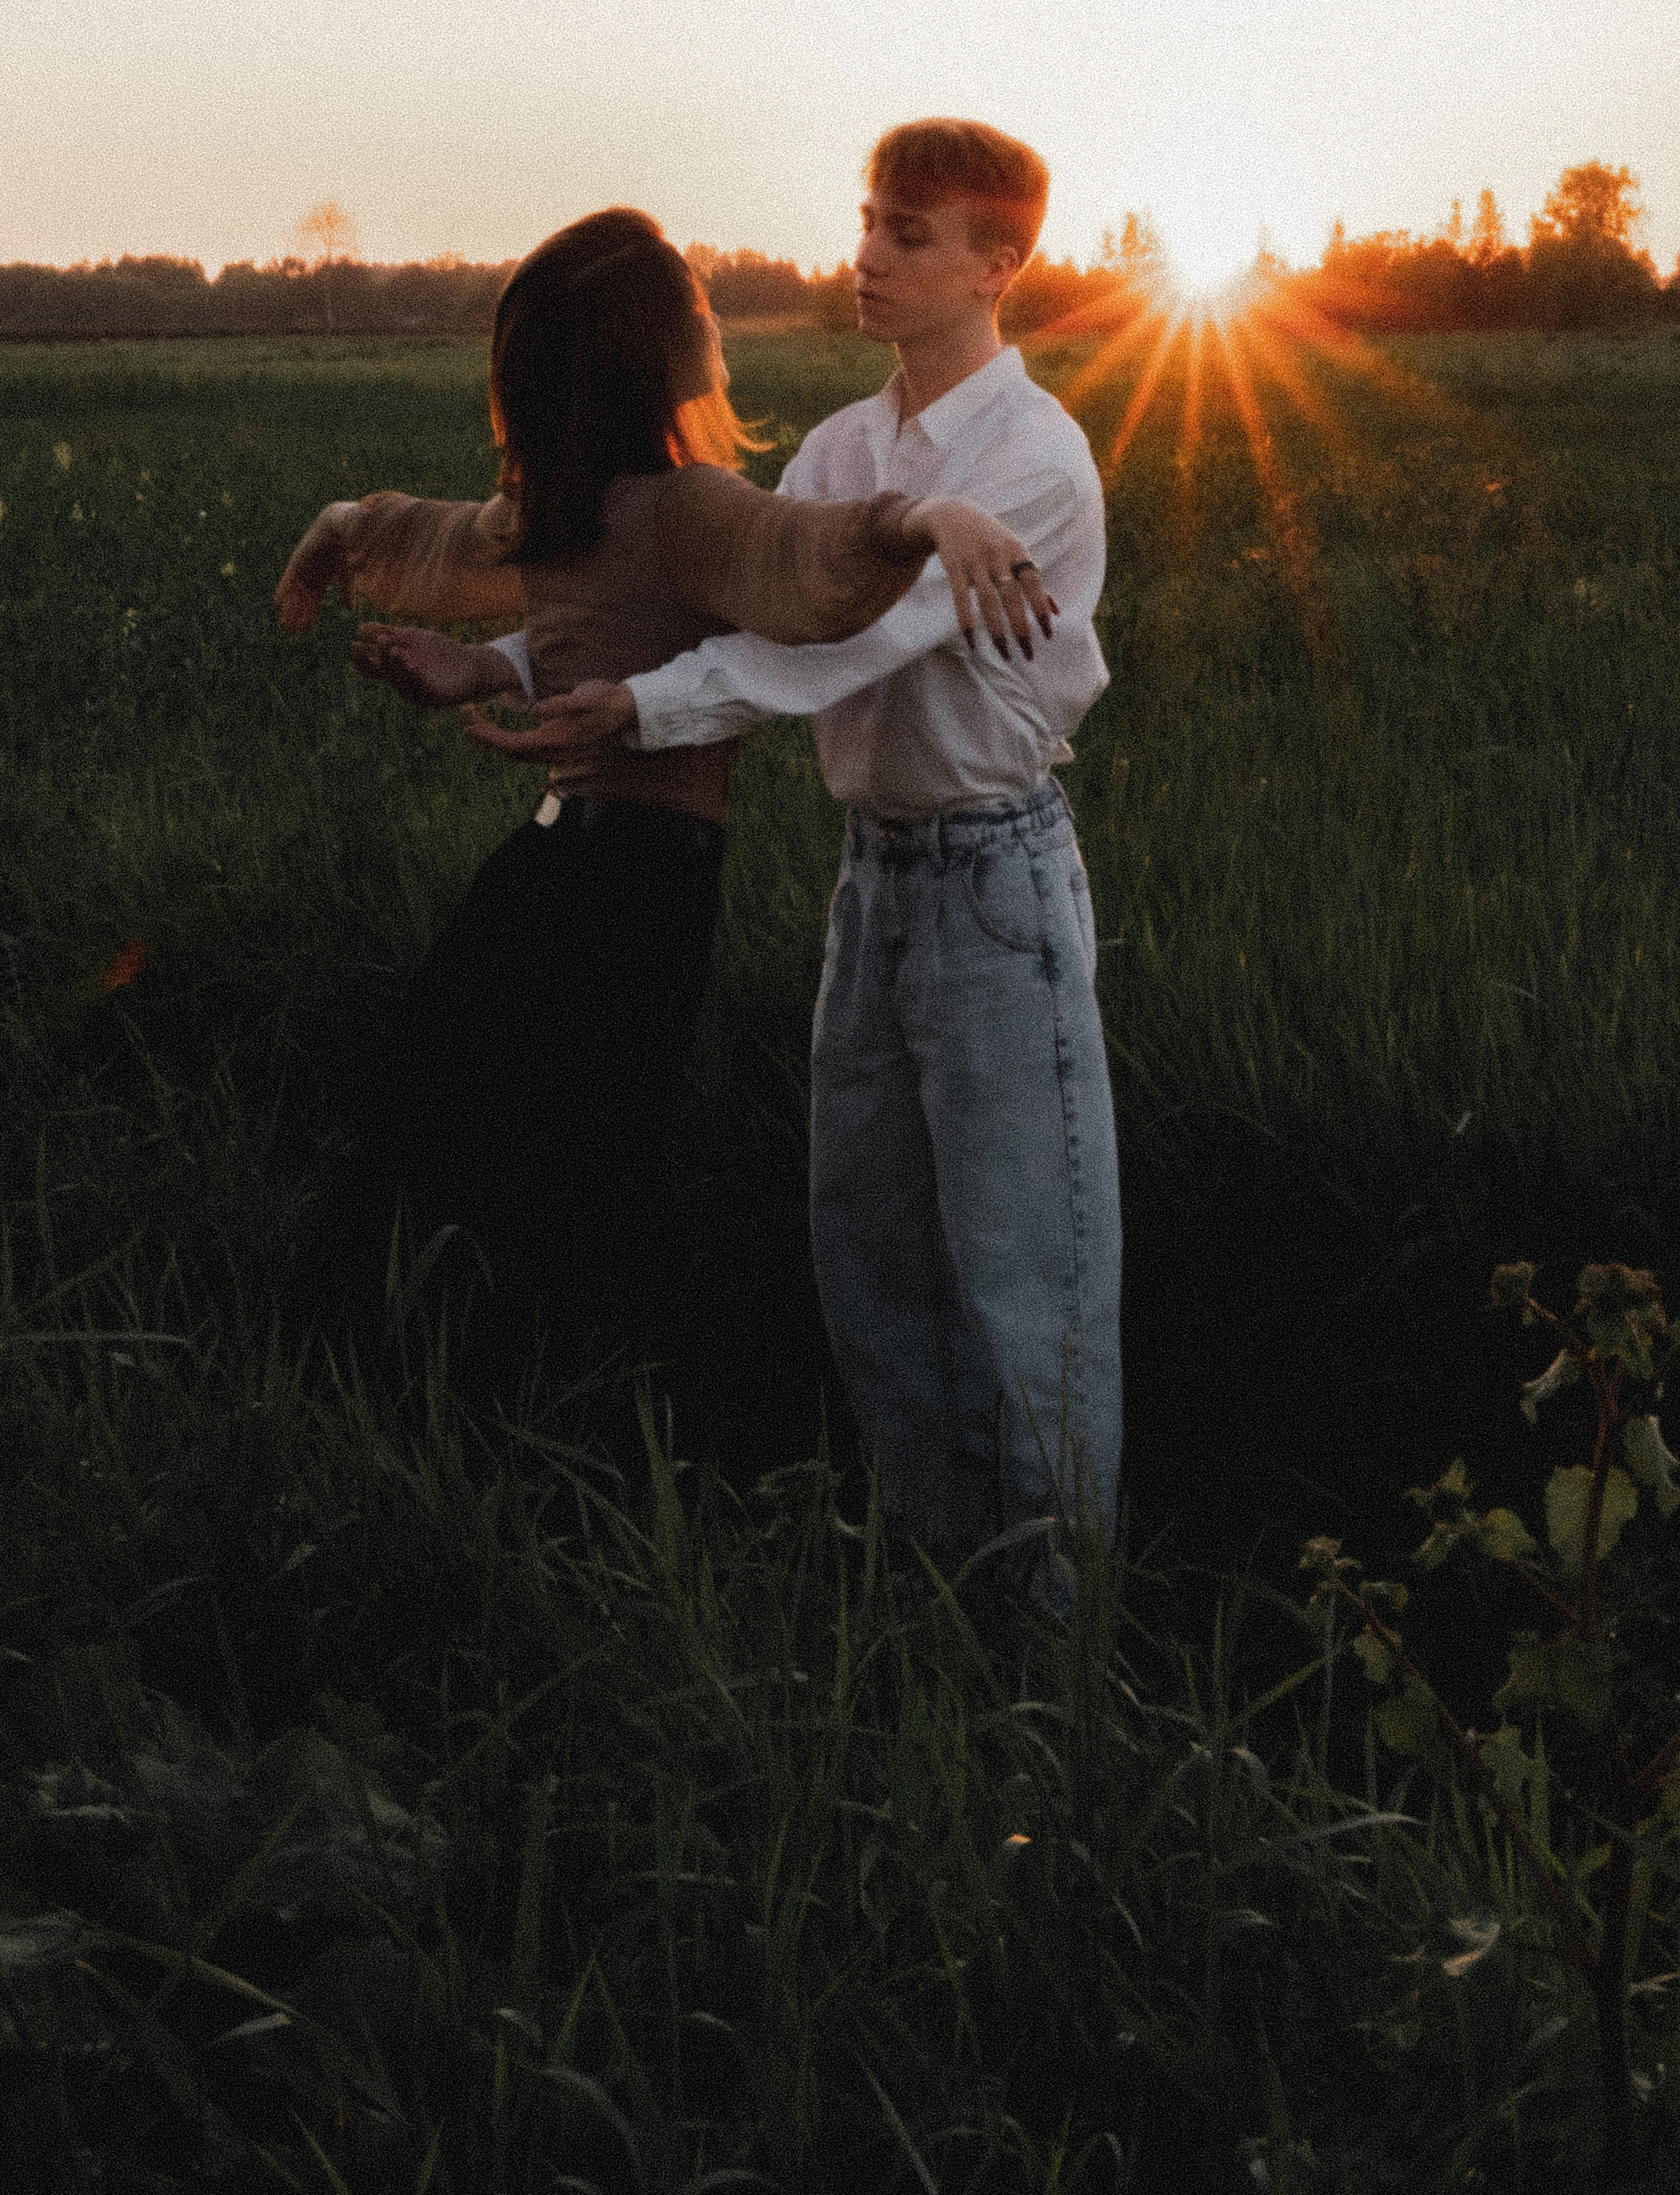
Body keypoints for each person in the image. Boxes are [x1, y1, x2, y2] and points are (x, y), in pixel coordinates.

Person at [467, 127, 1119, 1599]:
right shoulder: (841, 453)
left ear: (999, 264)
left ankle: (1054, 1627)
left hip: (997, 884)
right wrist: (510, 661)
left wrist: (641, 711)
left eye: (908, 234)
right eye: (868, 222)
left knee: (1029, 1280)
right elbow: (722, 613)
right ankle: (936, 1583)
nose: (867, 257)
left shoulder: (1031, 460)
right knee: (868, 1259)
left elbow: (848, 645)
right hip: (873, 880)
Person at [273, 205, 1051, 1388]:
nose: (714, 319)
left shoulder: (615, 508)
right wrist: (929, 517)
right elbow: (799, 560)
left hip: (580, 870)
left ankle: (442, 1391)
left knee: (483, 1147)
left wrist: (343, 539)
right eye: (696, 302)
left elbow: (794, 560)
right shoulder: (657, 506)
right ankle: (491, 1396)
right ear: (663, 350)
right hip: (620, 880)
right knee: (533, 1159)